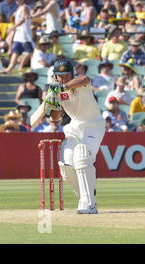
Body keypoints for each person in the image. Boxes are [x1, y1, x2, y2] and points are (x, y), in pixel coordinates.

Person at [44, 58, 106, 214]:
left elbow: (84, 79)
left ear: (72, 74)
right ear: (55, 76)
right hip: (74, 126)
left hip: (93, 124)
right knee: (66, 165)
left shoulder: (81, 82)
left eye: (67, 75)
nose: (64, 78)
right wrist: (54, 101)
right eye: (61, 76)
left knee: (82, 156)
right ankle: (86, 197)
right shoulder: (56, 92)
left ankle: (89, 205)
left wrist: (62, 87)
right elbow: (54, 118)